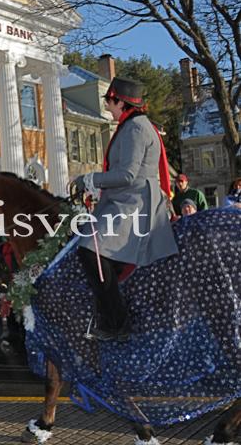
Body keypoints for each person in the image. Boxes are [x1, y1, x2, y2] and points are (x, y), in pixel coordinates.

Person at [74, 77, 178, 342]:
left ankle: (116, 323)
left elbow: (128, 174)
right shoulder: (131, 126)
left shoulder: (135, 129)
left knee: (90, 249)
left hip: (134, 203)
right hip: (124, 199)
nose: (108, 107)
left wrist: (90, 179)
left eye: (109, 102)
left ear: (120, 101)